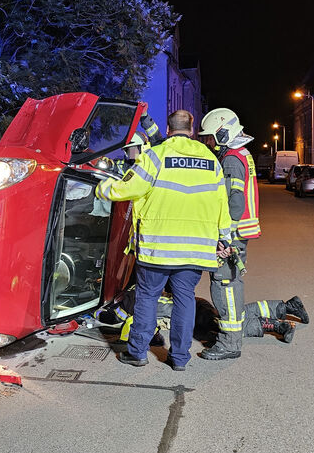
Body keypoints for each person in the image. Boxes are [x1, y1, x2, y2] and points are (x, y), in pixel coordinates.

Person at [95, 109, 231, 371]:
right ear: (192, 131)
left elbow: (128, 188)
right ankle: (179, 358)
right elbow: (221, 203)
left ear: (168, 130)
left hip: (158, 247)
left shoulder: (155, 156)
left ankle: (138, 353)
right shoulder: (210, 159)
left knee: (147, 297)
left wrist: (101, 188)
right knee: (185, 300)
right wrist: (224, 236)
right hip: (195, 249)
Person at [196, 108, 307, 360]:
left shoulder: (232, 159)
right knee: (231, 286)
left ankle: (230, 343)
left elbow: (233, 204)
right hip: (238, 234)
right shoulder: (241, 155)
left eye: (211, 137)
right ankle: (282, 309)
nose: (208, 143)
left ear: (223, 134)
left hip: (231, 236)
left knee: (224, 288)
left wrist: (223, 237)